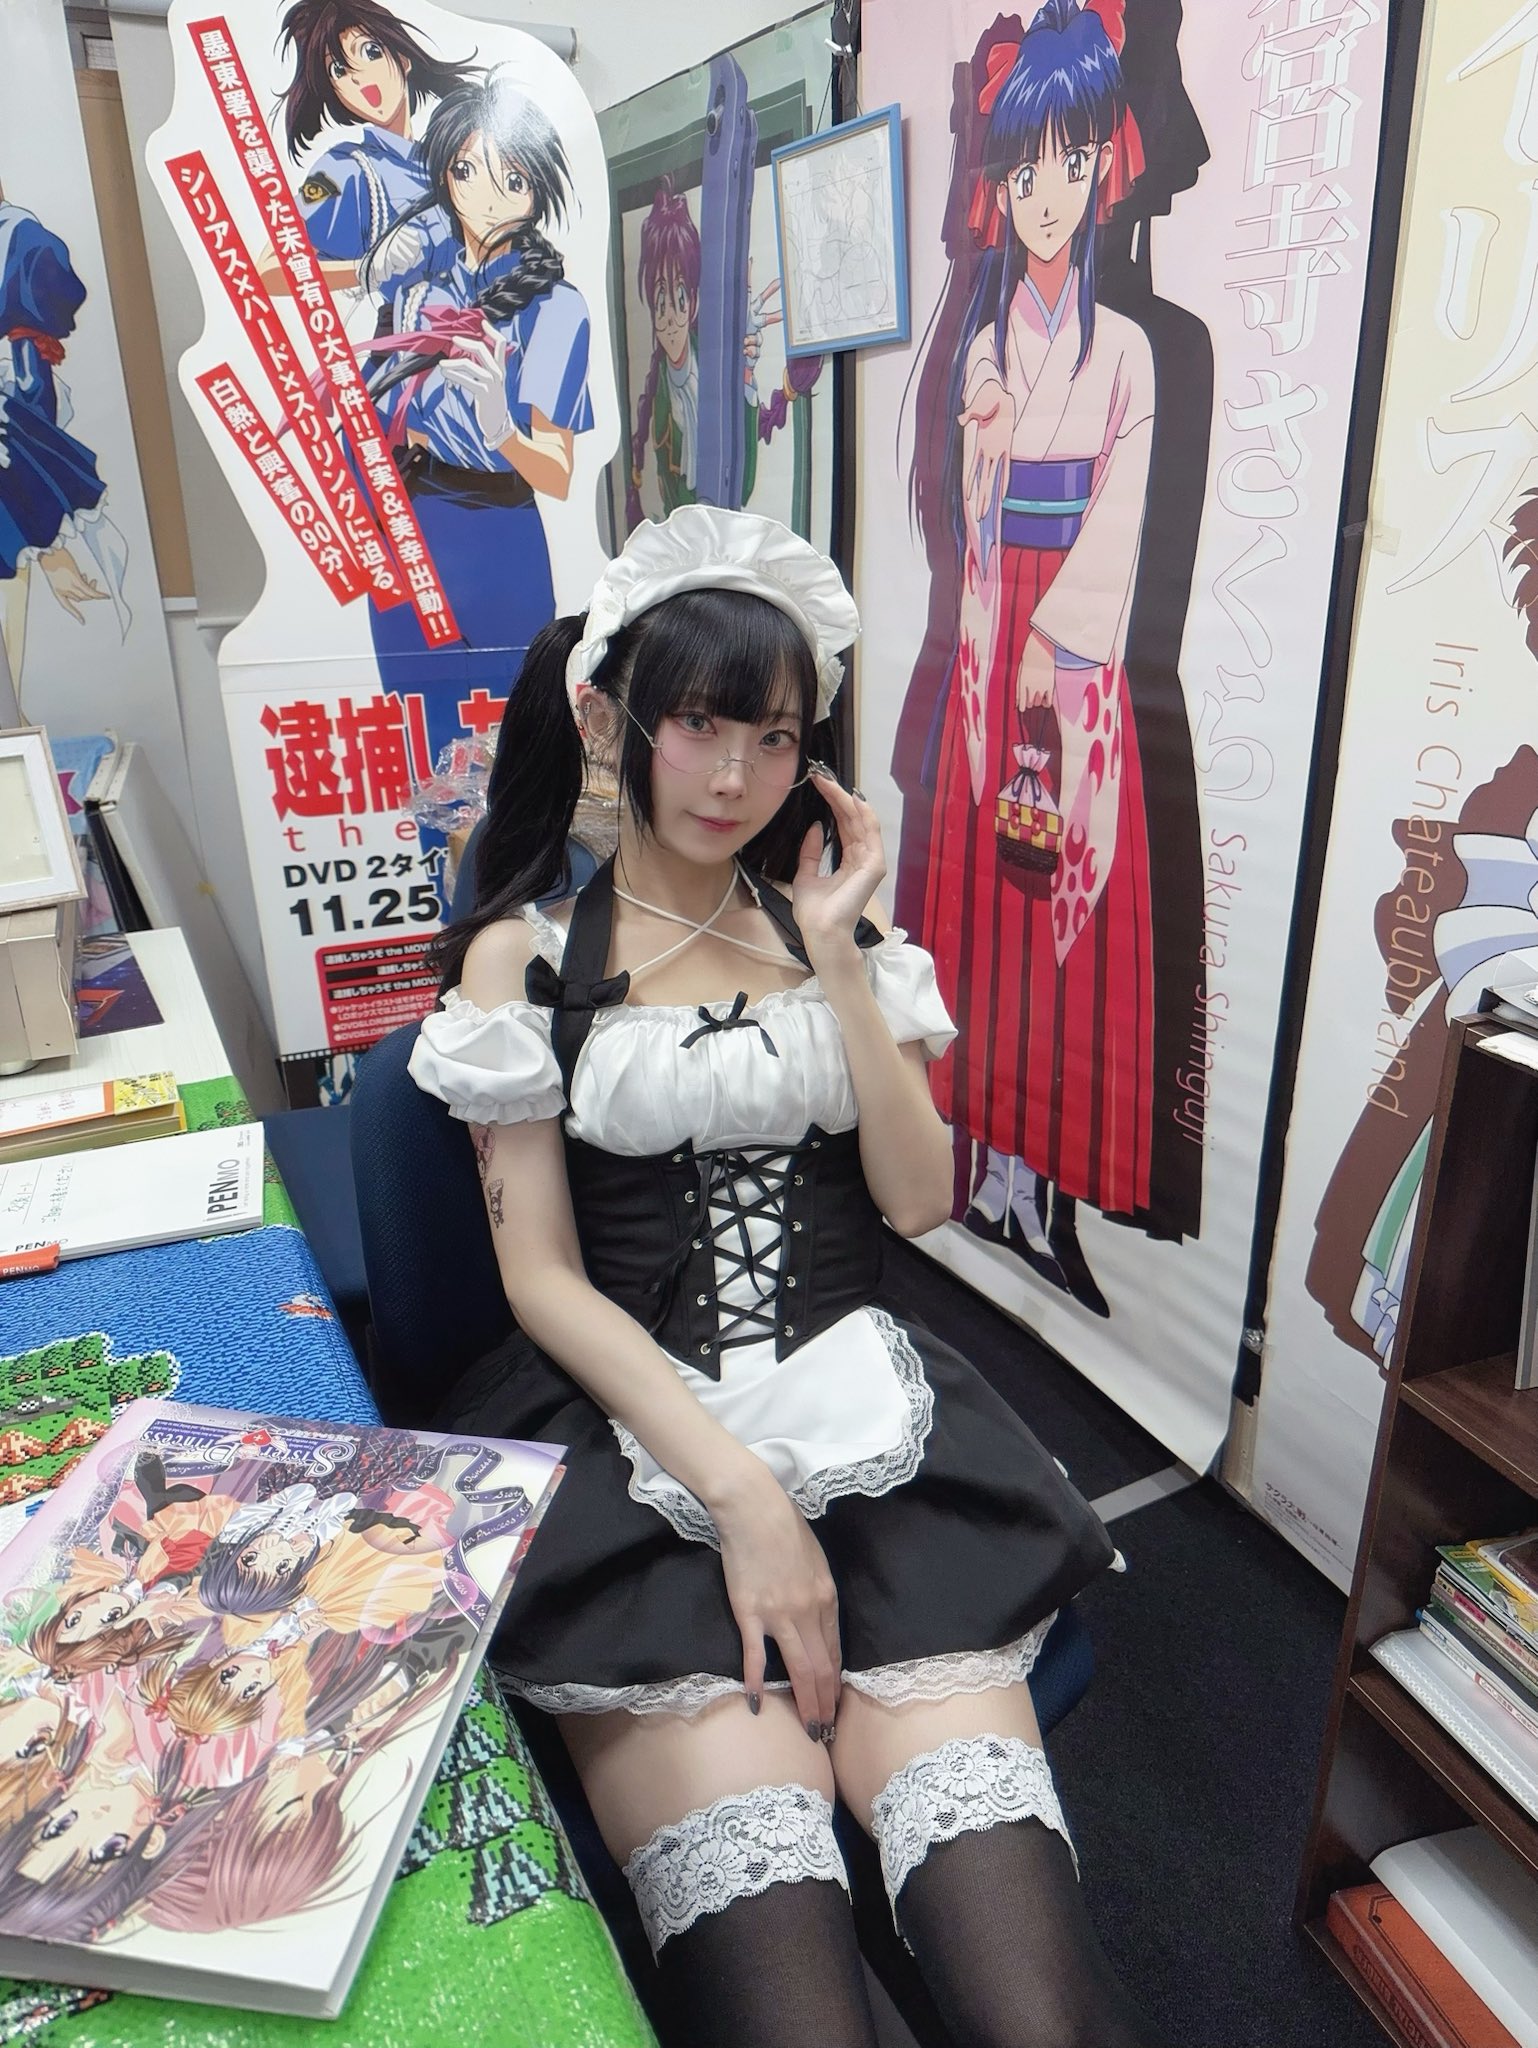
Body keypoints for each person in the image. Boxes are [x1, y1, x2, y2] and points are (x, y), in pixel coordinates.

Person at [409, 502, 1172, 2046]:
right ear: (609, 719)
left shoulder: (842, 934)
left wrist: (834, 952)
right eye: (699, 725)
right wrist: (745, 1503)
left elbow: (915, 1201)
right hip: (636, 1448)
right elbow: (542, 1282)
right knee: (792, 2022)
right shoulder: (525, 962)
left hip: (872, 1429)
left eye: (772, 736)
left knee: (1035, 2013)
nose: (734, 777)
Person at [916, 0, 1160, 1317]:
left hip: (1067, 651)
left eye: (1069, 163)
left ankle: (1039, 1189)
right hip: (990, 628)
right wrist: (988, 439)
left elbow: (1118, 514)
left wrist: (1050, 652)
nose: (1046, 195)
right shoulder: (987, 344)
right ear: (1000, 185)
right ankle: (990, 1173)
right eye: (1024, 170)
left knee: (1058, 914)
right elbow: (972, 519)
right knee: (990, 916)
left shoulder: (1123, 352)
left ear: (1103, 165)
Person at [360, 69, 594, 696]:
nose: (489, 198)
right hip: (410, 533)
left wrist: (500, 427)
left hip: (500, 535)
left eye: (512, 179)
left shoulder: (557, 308)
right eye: (468, 171)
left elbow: (556, 473)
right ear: (446, 177)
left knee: (513, 731)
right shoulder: (417, 291)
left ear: (534, 193)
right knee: (416, 731)